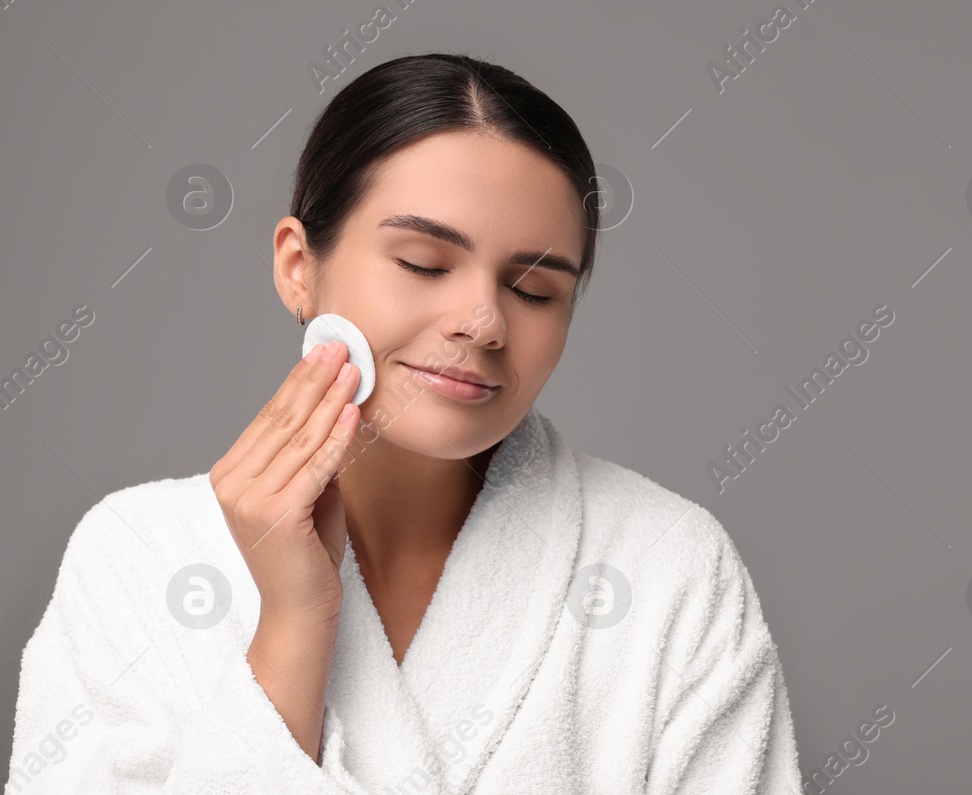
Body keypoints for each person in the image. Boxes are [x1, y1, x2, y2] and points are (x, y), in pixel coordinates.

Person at [7, 52, 803, 794]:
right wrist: (290, 627)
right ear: (298, 267)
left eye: (535, 291)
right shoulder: (138, 557)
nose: (484, 320)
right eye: (424, 264)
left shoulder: (669, 565)